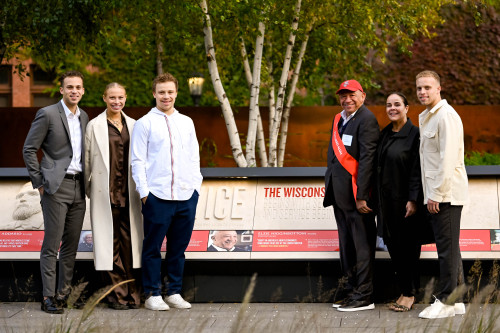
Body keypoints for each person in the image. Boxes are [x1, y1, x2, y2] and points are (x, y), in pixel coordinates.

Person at [131, 73, 202, 311]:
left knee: (178, 249)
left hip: (185, 196)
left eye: (170, 92)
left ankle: (173, 292)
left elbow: (194, 157)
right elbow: (137, 160)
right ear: (154, 94)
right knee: (152, 248)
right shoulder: (144, 123)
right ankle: (152, 294)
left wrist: (196, 188)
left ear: (176, 93)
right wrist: (144, 193)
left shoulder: (187, 122)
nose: (166, 96)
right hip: (157, 196)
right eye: (161, 92)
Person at [23, 71, 89, 314]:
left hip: (79, 187)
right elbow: (29, 149)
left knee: (71, 245)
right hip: (55, 187)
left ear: (83, 91)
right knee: (52, 245)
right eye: (69, 87)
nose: (74, 91)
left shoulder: (84, 116)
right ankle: (48, 296)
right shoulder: (48, 113)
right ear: (61, 90)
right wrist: (39, 182)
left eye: (78, 87)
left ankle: (65, 294)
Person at [84, 83, 143, 310]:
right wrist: (90, 190)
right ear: (104, 98)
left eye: (120, 97)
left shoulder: (135, 125)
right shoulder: (94, 126)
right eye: (112, 97)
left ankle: (133, 295)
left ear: (125, 98)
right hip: (105, 195)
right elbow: (87, 161)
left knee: (130, 247)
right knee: (111, 246)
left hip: (130, 195)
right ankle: (118, 295)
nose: (116, 101)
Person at [415, 70, 468, 319]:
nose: (422, 92)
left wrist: (436, 194)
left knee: (446, 250)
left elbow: (448, 161)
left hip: (445, 194)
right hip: (438, 193)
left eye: (427, 87)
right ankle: (458, 301)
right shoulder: (428, 117)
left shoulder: (445, 116)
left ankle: (446, 301)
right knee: (451, 248)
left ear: (439, 88)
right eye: (419, 88)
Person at [323, 80, 380, 312]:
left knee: (362, 246)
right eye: (343, 96)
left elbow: (368, 160)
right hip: (339, 195)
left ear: (363, 96)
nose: (347, 100)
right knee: (347, 245)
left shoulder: (367, 119)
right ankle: (350, 290)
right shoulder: (340, 118)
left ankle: (364, 295)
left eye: (352, 95)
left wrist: (362, 196)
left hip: (358, 198)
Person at [373, 93, 422, 312]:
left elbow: (417, 170)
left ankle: (410, 293)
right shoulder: (385, 134)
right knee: (393, 246)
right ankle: (406, 290)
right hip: (386, 203)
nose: (392, 108)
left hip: (406, 203)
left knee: (408, 248)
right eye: (388, 105)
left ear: (407, 108)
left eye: (397, 104)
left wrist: (413, 199)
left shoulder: (415, 135)